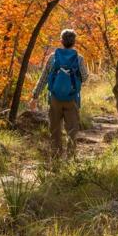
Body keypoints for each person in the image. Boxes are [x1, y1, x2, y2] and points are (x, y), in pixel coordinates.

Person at [29, 29, 89, 160]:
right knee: (72, 130)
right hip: (72, 99)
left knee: (55, 130)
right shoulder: (79, 59)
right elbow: (85, 77)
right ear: (74, 42)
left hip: (55, 98)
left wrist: (35, 96)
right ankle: (70, 159)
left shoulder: (53, 57)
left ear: (61, 41)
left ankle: (56, 160)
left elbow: (43, 78)